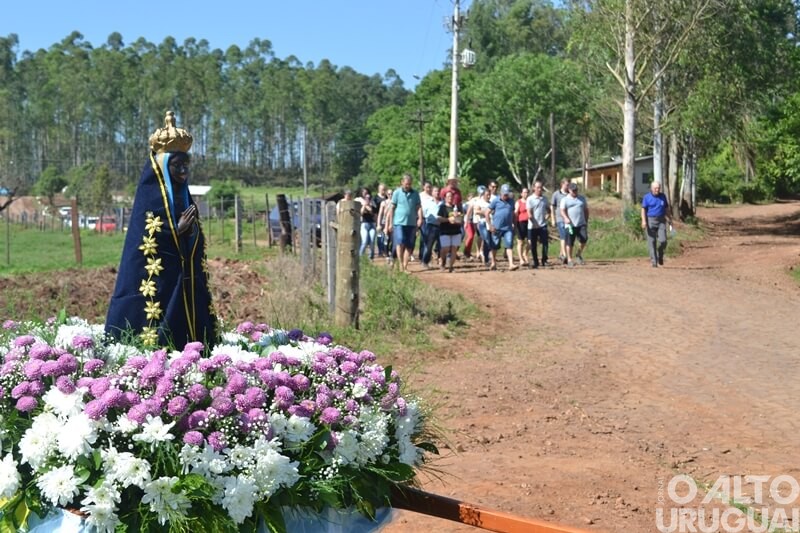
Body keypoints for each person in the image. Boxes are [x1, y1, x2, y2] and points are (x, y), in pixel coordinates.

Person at [106, 111, 217, 349]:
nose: (183, 172)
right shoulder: (150, 196)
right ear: (164, 167)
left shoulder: (183, 195)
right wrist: (176, 231)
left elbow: (194, 235)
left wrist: (190, 231)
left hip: (184, 277)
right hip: (159, 279)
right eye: (177, 166)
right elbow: (145, 238)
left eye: (186, 166)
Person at [385, 173, 422, 273]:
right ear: (402, 182)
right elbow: (392, 208)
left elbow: (418, 207)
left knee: (409, 245)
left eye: (409, 184)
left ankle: (405, 267)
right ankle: (400, 264)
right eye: (406, 184)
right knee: (400, 242)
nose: (408, 186)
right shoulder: (397, 193)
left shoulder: (415, 194)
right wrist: (390, 223)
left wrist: (420, 218)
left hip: (411, 223)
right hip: (399, 223)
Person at [485, 184, 519, 271]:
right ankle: (493, 263)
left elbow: (513, 214)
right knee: (495, 246)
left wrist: (514, 225)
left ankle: (511, 264)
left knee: (509, 245)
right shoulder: (495, 201)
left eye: (507, 194)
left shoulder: (511, 201)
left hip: (508, 228)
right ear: (501, 193)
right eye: (504, 194)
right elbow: (487, 212)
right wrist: (490, 225)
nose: (506, 196)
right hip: (497, 227)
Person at [641, 181, 673, 267]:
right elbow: (643, 210)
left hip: (661, 220)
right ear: (651, 189)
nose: (657, 190)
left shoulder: (663, 196)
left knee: (663, 241)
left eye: (658, 188)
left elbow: (666, 208)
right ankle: (654, 262)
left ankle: (660, 254)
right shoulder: (646, 197)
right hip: (650, 220)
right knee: (652, 242)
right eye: (655, 188)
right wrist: (644, 221)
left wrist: (669, 218)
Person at [560, 182, 589, 267]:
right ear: (569, 190)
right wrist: (566, 218)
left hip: (581, 223)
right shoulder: (565, 200)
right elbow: (562, 210)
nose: (575, 191)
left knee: (584, 239)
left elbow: (586, 210)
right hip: (570, 225)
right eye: (573, 190)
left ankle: (578, 254)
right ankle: (569, 259)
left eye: (576, 190)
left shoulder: (582, 199)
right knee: (570, 242)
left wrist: (586, 220)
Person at [437, 190, 462, 272]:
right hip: (445, 230)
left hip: (456, 230)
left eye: (451, 196)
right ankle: (443, 262)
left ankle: (451, 266)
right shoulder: (442, 207)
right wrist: (448, 219)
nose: (450, 198)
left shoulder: (456, 207)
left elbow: (461, 218)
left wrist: (458, 217)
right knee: (445, 248)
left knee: (454, 248)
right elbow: (439, 218)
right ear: (445, 198)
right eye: (448, 196)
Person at [526, 180, 549, 268]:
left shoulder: (544, 199)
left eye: (541, 187)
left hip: (542, 225)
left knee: (545, 243)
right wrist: (533, 222)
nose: (540, 189)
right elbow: (529, 212)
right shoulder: (530, 199)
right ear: (534, 188)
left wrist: (548, 215)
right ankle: (535, 261)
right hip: (533, 225)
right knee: (533, 244)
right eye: (538, 187)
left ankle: (544, 259)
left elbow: (548, 209)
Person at [420, 184, 441, 269]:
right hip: (431, 225)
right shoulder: (428, 202)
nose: (437, 193)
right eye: (435, 191)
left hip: (441, 226)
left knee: (441, 245)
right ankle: (425, 261)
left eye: (438, 191)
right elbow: (422, 211)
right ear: (432, 192)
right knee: (429, 245)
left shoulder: (442, 202)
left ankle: (441, 262)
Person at [551, 178, 570, 264]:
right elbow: (552, 206)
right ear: (562, 184)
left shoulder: (570, 194)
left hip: (568, 219)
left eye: (568, 184)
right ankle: (564, 255)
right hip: (560, 218)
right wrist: (553, 218)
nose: (568, 186)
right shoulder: (556, 194)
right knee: (563, 236)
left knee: (567, 236)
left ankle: (561, 253)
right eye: (566, 185)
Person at [357, 187, 378, 259]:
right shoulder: (359, 201)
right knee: (364, 241)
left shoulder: (372, 202)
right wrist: (365, 205)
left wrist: (369, 205)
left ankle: (371, 257)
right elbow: (361, 213)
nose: (365, 194)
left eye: (367, 192)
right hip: (364, 223)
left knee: (372, 241)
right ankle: (360, 256)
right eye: (364, 192)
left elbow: (374, 213)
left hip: (372, 223)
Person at [514, 187, 530, 267]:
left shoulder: (530, 201)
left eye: (527, 192)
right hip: (520, 223)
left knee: (530, 241)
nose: (526, 194)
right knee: (520, 242)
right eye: (524, 192)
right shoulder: (518, 202)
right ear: (521, 194)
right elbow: (516, 212)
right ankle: (521, 259)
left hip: (529, 223)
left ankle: (525, 253)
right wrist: (514, 222)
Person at [375, 183, 390, 258]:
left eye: (384, 189)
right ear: (379, 189)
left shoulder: (387, 197)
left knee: (385, 236)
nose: (383, 191)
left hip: (387, 219)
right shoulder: (376, 198)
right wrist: (378, 222)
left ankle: (385, 250)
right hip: (379, 218)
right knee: (380, 236)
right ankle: (380, 251)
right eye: (382, 189)